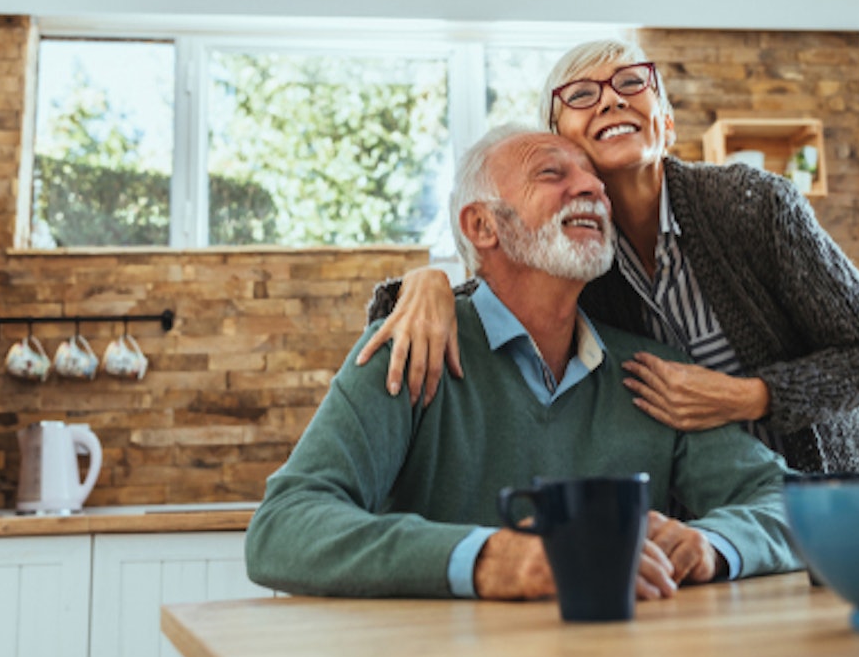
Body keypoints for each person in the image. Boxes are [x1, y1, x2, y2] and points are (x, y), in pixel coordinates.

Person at [245, 125, 801, 601]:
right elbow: (281, 527)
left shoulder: (655, 376)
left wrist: (715, 544)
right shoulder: (409, 349)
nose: (591, 188)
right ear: (483, 227)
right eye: (551, 175)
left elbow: (793, 503)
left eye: (592, 179)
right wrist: (492, 558)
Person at [360, 38, 859, 476]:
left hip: (829, 492)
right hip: (699, 525)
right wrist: (423, 283)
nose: (612, 100)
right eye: (581, 95)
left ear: (665, 123)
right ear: (558, 142)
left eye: (629, 83)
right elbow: (488, 300)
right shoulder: (570, 252)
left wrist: (748, 396)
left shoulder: (755, 205)